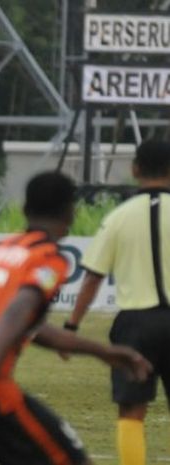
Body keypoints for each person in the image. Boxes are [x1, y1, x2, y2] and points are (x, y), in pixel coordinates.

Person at [0, 171, 152, 465]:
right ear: (71, 211)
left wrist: (103, 352)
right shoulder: (48, 257)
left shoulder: (3, 250)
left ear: (24, 209)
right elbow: (17, 311)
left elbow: (29, 327)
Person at [63, 139, 170, 465]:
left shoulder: (118, 218)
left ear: (135, 169)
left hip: (134, 326)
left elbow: (93, 277)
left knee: (131, 411)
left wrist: (72, 326)